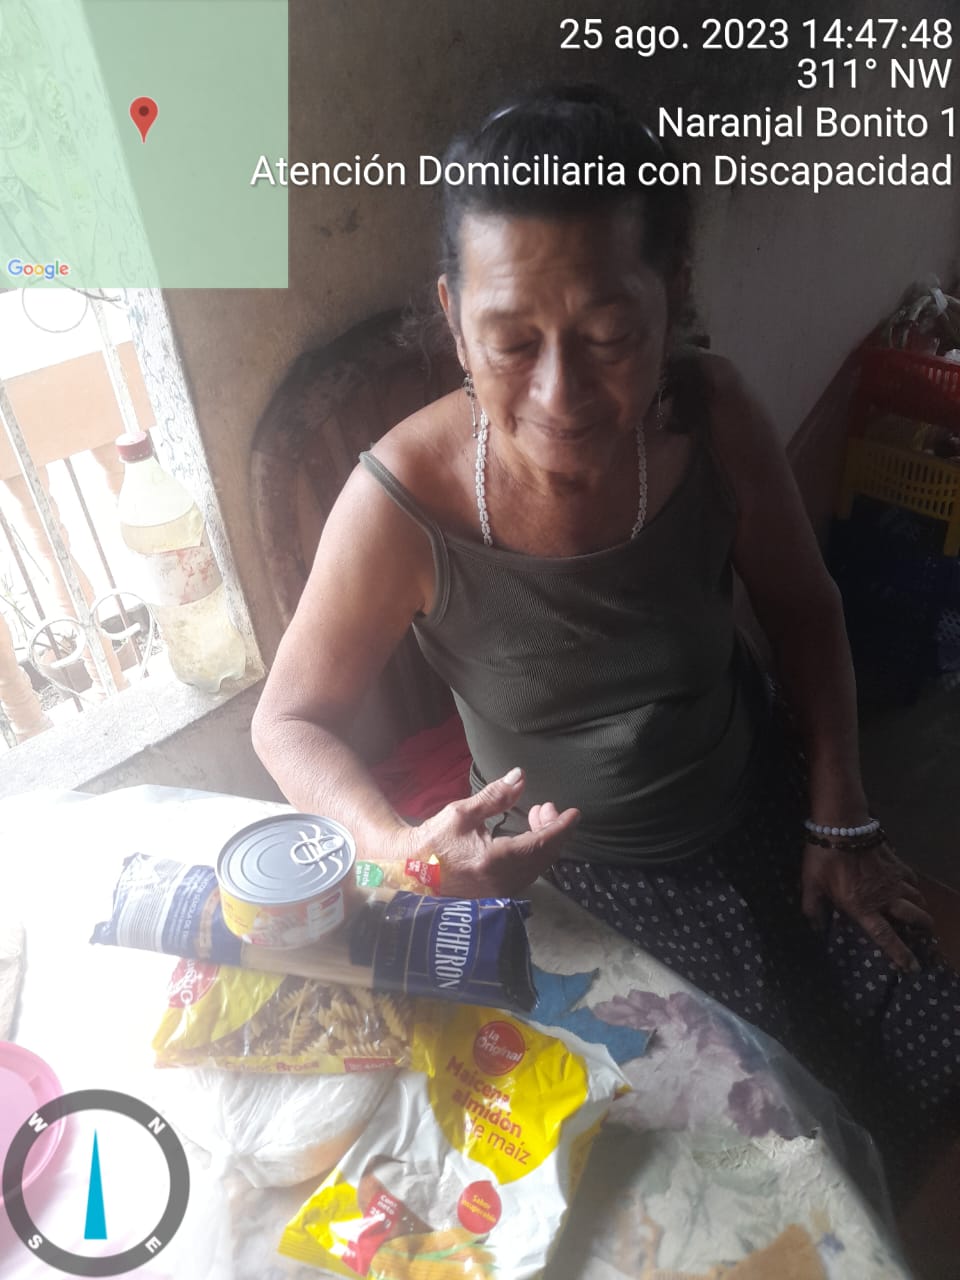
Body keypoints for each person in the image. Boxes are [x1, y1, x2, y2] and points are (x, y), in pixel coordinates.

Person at [252, 84, 959, 1203]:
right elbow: (288, 719)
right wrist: (402, 849)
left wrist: (841, 814)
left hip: (761, 804)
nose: (561, 393)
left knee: (914, 1054)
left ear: (673, 293)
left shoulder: (712, 416)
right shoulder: (399, 501)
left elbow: (805, 606)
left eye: (611, 337)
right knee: (734, 1150)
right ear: (453, 317)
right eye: (510, 342)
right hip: (571, 874)